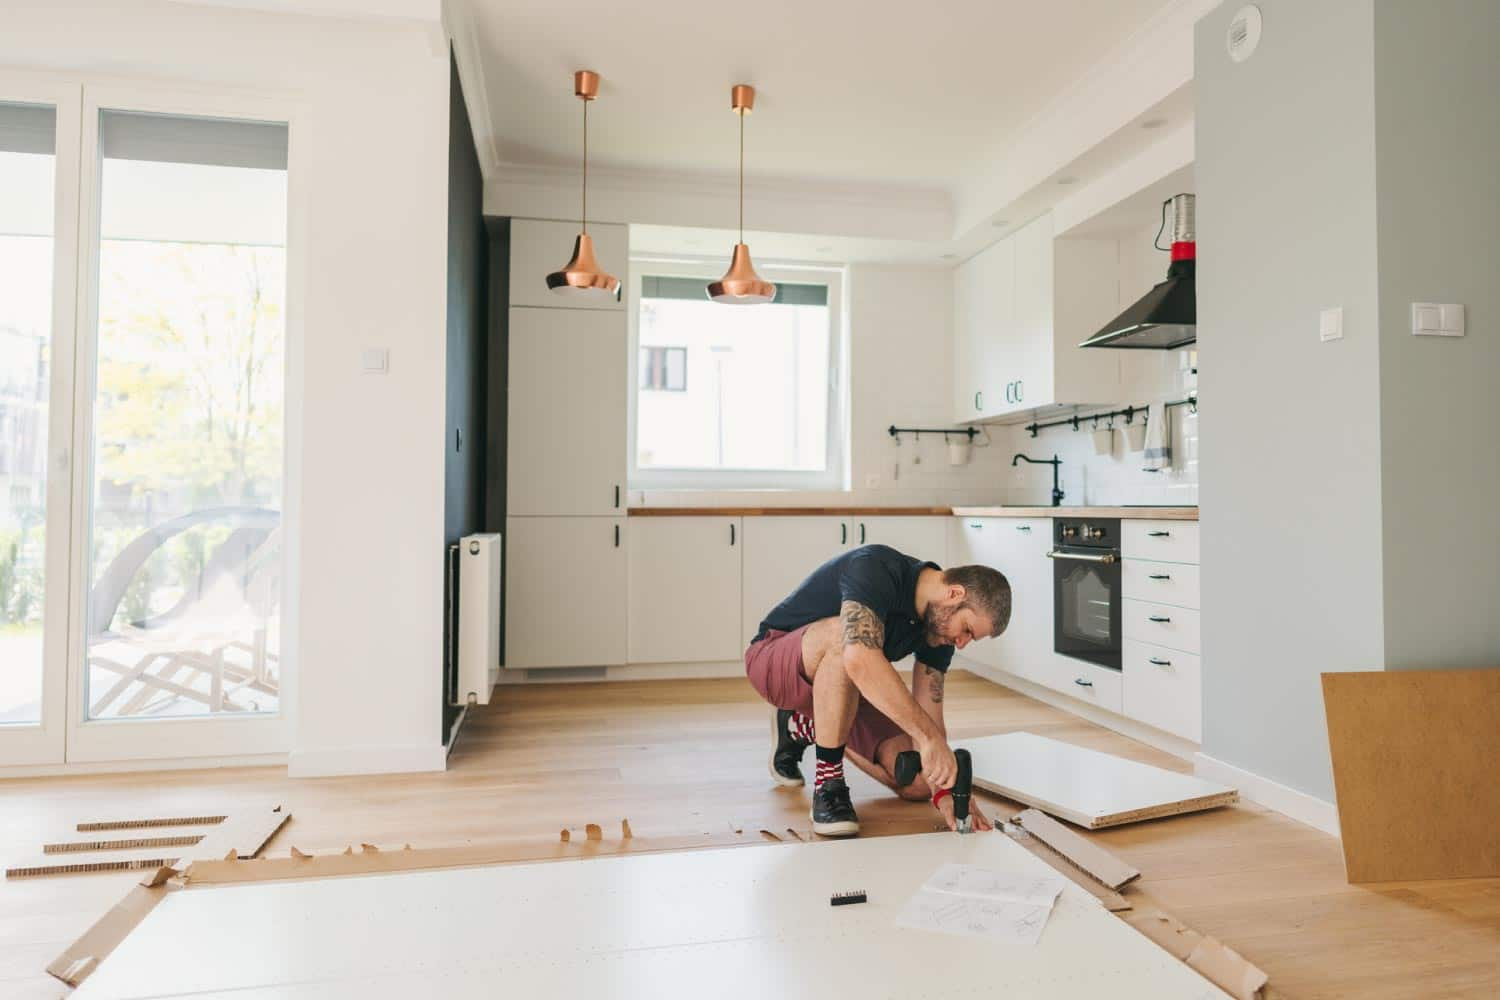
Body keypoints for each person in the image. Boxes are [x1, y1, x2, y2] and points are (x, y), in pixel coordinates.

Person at [744, 543, 1011, 836]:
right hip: (774, 660)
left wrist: (944, 790)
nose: (962, 643)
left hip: (843, 687)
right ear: (954, 594)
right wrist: (928, 738)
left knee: (918, 780)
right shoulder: (876, 567)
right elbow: (859, 657)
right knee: (845, 637)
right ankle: (829, 785)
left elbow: (930, 716)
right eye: (968, 630)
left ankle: (800, 726)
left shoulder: (939, 632)